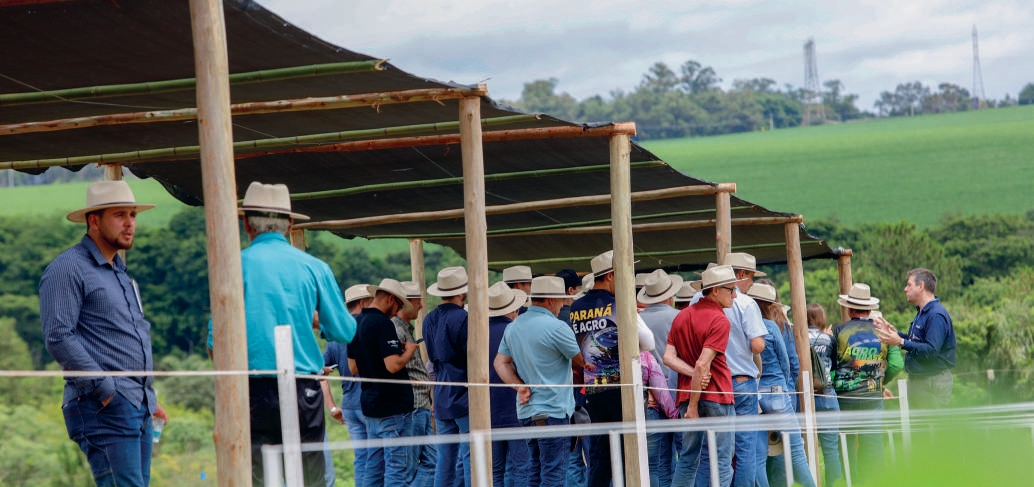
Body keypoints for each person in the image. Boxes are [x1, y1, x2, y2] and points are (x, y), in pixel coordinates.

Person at [204, 181, 356, 486]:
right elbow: (345, 330)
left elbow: (214, 344)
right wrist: (317, 323)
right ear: (289, 224)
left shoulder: (232, 266)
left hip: (249, 389)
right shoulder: (313, 266)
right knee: (310, 476)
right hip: (303, 388)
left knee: (257, 477)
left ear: (246, 224)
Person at [41, 180, 169, 487]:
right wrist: (106, 390)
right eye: (120, 215)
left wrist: (147, 396)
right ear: (94, 221)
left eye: (133, 215)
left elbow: (125, 337)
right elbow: (59, 336)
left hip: (135, 404)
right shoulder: (68, 268)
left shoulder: (119, 272)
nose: (130, 224)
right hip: (102, 405)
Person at [495, 276, 591, 487]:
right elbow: (582, 361)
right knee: (554, 474)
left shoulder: (513, 327)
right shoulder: (557, 327)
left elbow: (500, 362)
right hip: (554, 411)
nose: (562, 306)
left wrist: (519, 386)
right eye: (560, 301)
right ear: (550, 300)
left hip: (527, 412)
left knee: (535, 471)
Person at [690, 253, 768, 487]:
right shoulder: (745, 302)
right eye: (751, 277)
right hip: (742, 381)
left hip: (710, 382)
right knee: (746, 448)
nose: (751, 283)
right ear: (740, 274)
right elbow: (757, 345)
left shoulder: (696, 301)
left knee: (711, 449)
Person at [663, 264, 740, 487]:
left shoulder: (681, 316)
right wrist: (695, 403)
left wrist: (691, 380)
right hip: (716, 395)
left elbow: (668, 357)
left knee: (687, 459)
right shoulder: (720, 320)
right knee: (723, 461)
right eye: (731, 289)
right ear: (715, 290)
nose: (734, 295)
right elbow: (702, 364)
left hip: (686, 396)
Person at [348, 278, 419, 487]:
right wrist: (408, 351)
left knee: (374, 467)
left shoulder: (356, 322)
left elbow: (353, 368)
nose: (396, 311)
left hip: (370, 405)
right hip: (392, 407)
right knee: (397, 468)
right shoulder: (383, 323)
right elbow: (393, 365)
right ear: (390, 299)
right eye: (398, 306)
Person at [831, 283, 903, 483]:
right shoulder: (885, 332)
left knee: (844, 446)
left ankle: (849, 482)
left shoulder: (838, 331)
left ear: (850, 308)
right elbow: (897, 365)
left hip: (844, 398)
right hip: (872, 397)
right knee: (873, 447)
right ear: (870, 309)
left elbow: (830, 366)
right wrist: (880, 381)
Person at [747, 284, 816, 487]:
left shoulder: (745, 327)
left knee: (758, 455)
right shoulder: (771, 326)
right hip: (776, 391)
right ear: (769, 304)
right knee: (796, 450)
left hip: (754, 393)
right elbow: (787, 362)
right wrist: (783, 387)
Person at [875, 268, 957, 409]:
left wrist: (900, 342)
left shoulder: (935, 315)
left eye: (909, 285)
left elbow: (931, 350)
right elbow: (917, 342)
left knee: (930, 427)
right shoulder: (922, 312)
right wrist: (895, 333)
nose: (905, 289)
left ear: (921, 286)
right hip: (921, 379)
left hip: (932, 380)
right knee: (921, 428)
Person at [423, 266, 473, 487]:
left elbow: (431, 360)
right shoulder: (464, 318)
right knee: (471, 455)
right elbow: (471, 358)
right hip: (465, 395)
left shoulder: (428, 319)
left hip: (442, 394)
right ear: (462, 292)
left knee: (445, 459)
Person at [322, 283, 372, 486]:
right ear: (362, 303)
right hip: (371, 404)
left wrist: (332, 407)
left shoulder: (335, 338)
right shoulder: (369, 328)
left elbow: (320, 373)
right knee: (380, 460)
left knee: (361, 459)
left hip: (349, 406)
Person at [637, 269, 683, 487]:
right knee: (685, 457)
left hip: (650, 398)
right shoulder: (678, 317)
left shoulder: (637, 320)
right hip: (678, 392)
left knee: (658, 462)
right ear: (670, 295)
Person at [487, 281, 531, 487]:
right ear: (513, 308)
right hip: (516, 406)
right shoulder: (517, 331)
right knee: (521, 467)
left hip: (487, 410)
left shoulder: (477, 333)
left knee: (494, 470)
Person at [392, 281, 436, 487]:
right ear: (407, 303)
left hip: (420, 404)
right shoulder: (396, 330)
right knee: (408, 467)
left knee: (431, 461)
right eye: (417, 301)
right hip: (413, 406)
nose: (420, 306)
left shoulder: (404, 329)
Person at [806, 303, 842, 487]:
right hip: (827, 394)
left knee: (804, 450)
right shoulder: (829, 339)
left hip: (804, 396)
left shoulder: (799, 338)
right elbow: (834, 366)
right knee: (831, 450)